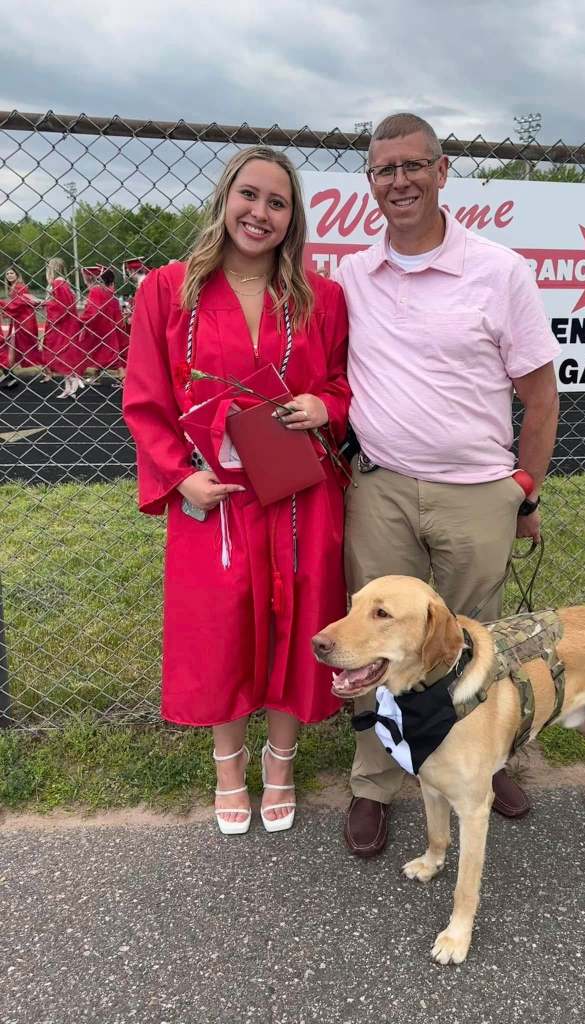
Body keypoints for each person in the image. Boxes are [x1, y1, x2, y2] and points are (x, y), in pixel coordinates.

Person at [334, 113, 560, 858]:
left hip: (475, 491)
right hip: (384, 488)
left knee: (469, 642)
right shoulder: (353, 277)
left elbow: (540, 394)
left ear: (442, 170)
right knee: (376, 642)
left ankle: (481, 763)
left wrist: (524, 490)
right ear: (370, 183)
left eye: (412, 166)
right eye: (383, 170)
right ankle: (374, 782)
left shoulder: (499, 271)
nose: (399, 181)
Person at [123, 145, 350, 836]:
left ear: (292, 218)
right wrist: (177, 473)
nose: (260, 212)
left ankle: (281, 761)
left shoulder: (322, 297)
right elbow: (145, 399)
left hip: (297, 494)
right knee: (221, 628)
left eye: (277, 203)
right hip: (212, 496)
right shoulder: (168, 291)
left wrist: (325, 407)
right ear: (226, 199)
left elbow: (342, 384)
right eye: (249, 195)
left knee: (296, 621)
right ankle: (228, 767)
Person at [79, 267, 127, 387]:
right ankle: (97, 375)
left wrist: (80, 320)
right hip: (110, 327)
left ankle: (124, 378)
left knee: (110, 355)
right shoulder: (108, 292)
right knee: (104, 352)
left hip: (102, 328)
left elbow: (92, 310)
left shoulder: (96, 291)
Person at [42, 258, 82, 398]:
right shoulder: (63, 283)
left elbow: (62, 307)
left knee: (62, 353)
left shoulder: (58, 283)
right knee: (63, 354)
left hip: (62, 325)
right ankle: (68, 386)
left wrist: (44, 303)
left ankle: (73, 382)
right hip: (65, 324)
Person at [0, 267, 40, 390]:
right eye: (7, 274)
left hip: (23, 322)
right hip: (19, 320)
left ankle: (9, 375)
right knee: (12, 349)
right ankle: (9, 375)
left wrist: (1, 304)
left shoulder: (19, 287)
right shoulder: (15, 287)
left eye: (12, 273)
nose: (9, 275)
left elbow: (17, 305)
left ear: (17, 274)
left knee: (22, 348)